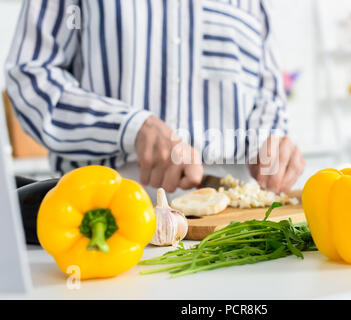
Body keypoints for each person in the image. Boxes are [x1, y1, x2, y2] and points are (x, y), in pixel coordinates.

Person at [5, 0, 305, 199]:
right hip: (103, 208)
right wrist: (130, 128)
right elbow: (31, 75)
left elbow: (268, 92)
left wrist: (272, 138)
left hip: (234, 220)